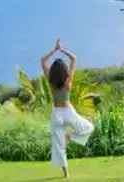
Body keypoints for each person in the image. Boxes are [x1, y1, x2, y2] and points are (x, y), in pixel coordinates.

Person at [41, 38, 93, 179]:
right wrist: (62, 49)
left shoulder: (51, 82)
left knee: (59, 146)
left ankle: (66, 174)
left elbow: (43, 61)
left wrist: (54, 50)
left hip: (57, 114)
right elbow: (74, 59)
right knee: (88, 128)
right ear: (64, 70)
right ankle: (69, 137)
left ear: (53, 71)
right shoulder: (68, 82)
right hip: (68, 112)